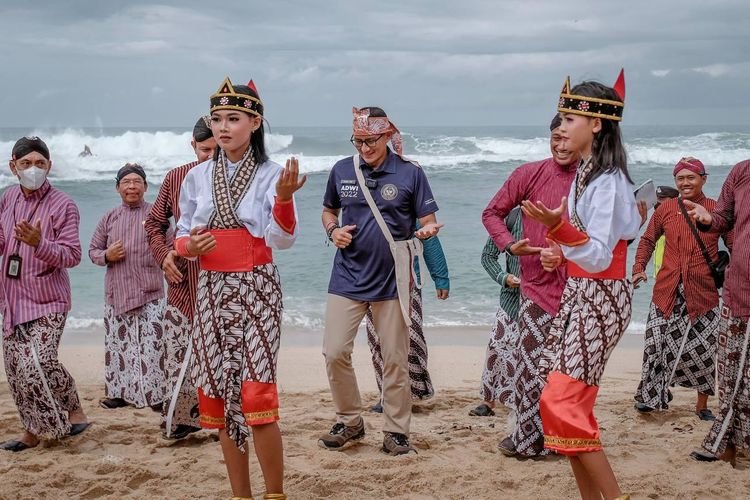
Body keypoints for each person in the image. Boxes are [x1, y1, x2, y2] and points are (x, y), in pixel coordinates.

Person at [175, 77, 302, 500]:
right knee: (221, 394)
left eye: (233, 118)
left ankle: (276, 494)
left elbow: (282, 239)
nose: (223, 127)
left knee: (255, 390)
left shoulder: (271, 175)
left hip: (257, 288)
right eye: (217, 119)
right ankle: (240, 495)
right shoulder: (195, 176)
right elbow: (182, 233)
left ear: (255, 122)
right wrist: (191, 245)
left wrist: (283, 199)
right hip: (211, 288)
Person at [522, 71, 639, 500]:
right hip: (581, 292)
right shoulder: (588, 176)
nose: (561, 126)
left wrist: (561, 229)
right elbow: (585, 247)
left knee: (562, 403)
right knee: (567, 405)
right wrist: (557, 247)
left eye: (570, 118)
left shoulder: (607, 182)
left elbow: (601, 256)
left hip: (602, 296)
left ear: (597, 124)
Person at [319, 106, 442, 456]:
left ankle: (396, 431)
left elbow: (428, 220)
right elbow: (328, 209)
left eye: (370, 140)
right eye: (358, 141)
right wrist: (333, 230)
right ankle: (350, 421)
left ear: (388, 135)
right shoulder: (342, 170)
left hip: (392, 278)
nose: (364, 148)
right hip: (347, 276)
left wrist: (426, 231)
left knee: (394, 358)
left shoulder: (410, 173)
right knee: (334, 352)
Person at [481, 114, 579, 457]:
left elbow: (608, 240)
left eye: (567, 137)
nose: (560, 144)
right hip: (535, 288)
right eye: (555, 136)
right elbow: (492, 213)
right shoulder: (528, 173)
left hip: (580, 290)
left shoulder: (596, 181)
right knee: (529, 367)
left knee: (568, 372)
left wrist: (565, 254)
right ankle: (527, 439)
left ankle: (562, 439)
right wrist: (510, 245)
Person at [0, 136, 89, 452]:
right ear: (14, 167)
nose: (33, 169)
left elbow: (72, 255)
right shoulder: (7, 198)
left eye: (40, 163)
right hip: (11, 297)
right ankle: (31, 431)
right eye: (26, 164)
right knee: (16, 370)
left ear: (49, 166)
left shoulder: (64, 204)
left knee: (39, 360)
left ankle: (72, 409)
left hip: (49, 298)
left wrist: (39, 243)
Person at [632, 158, 731, 419]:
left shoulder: (716, 209)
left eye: (691, 178)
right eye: (680, 178)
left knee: (705, 351)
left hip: (703, 293)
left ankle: (702, 406)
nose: (685, 183)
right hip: (666, 290)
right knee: (656, 344)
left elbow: (734, 242)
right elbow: (647, 240)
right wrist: (638, 267)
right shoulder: (665, 210)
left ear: (704, 179)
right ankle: (651, 397)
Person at [145, 116, 217, 439]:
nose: (211, 157)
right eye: (205, 150)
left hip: (223, 281)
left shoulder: (240, 177)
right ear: (193, 146)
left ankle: (222, 422)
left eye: (217, 150)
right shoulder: (176, 178)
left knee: (218, 355)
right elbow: (154, 225)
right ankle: (181, 420)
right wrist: (163, 257)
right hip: (182, 281)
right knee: (177, 352)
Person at [685, 159, 750, 467]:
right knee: (728, 373)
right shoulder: (741, 172)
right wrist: (708, 218)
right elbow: (724, 217)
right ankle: (726, 444)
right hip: (737, 291)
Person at [89, 163, 166, 411]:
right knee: (119, 346)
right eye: (126, 182)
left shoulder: (156, 215)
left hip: (151, 292)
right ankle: (119, 393)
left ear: (145, 186)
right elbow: (92, 251)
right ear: (117, 188)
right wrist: (107, 255)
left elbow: (171, 246)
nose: (132, 187)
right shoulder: (109, 218)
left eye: (137, 182)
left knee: (154, 346)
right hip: (117, 292)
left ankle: (157, 395)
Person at [366, 222, 449, 412]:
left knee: (412, 338)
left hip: (408, 282)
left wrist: (441, 278)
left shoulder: (406, 202)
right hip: (371, 283)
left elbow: (428, 240)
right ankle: (386, 396)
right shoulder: (364, 208)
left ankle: (414, 391)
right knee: (378, 341)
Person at [471, 207, 522, 417]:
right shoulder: (513, 217)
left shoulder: (558, 217)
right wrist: (504, 278)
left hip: (547, 299)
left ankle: (523, 401)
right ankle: (488, 400)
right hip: (511, 298)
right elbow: (487, 256)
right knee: (497, 345)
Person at [652, 186, 679, 277]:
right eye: (657, 198)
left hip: (673, 278)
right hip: (660, 278)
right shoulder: (658, 222)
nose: (658, 201)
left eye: (662, 198)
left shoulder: (677, 220)